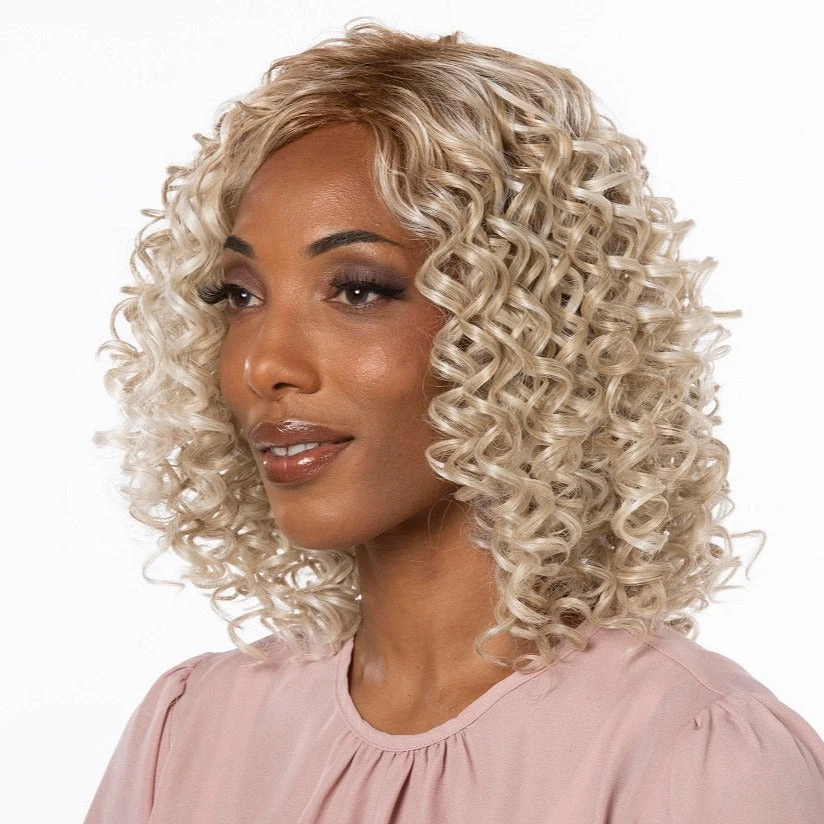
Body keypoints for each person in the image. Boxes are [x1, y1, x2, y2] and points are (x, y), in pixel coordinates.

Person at [84, 22, 824, 824]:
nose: (264, 364)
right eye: (241, 295)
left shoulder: (691, 753)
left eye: (358, 289)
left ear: (527, 327)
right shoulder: (190, 730)